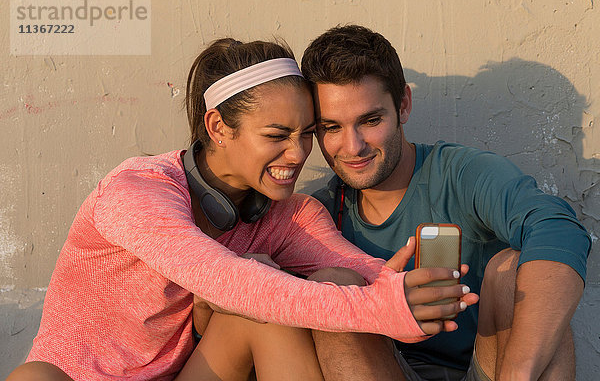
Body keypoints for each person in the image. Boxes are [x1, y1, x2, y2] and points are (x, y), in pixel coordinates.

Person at [7, 37, 477, 381]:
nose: (298, 154)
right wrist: (379, 307)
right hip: (73, 377)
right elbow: (224, 277)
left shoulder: (291, 215)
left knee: (271, 309)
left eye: (307, 133)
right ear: (218, 126)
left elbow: (362, 272)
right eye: (276, 135)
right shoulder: (136, 192)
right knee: (35, 378)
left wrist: (407, 293)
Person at [301, 25, 591, 381]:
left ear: (403, 105)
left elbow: (558, 228)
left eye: (370, 120)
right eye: (331, 127)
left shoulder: (462, 174)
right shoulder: (319, 214)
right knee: (331, 284)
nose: (353, 146)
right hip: (382, 368)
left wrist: (519, 373)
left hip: (491, 368)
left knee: (512, 268)